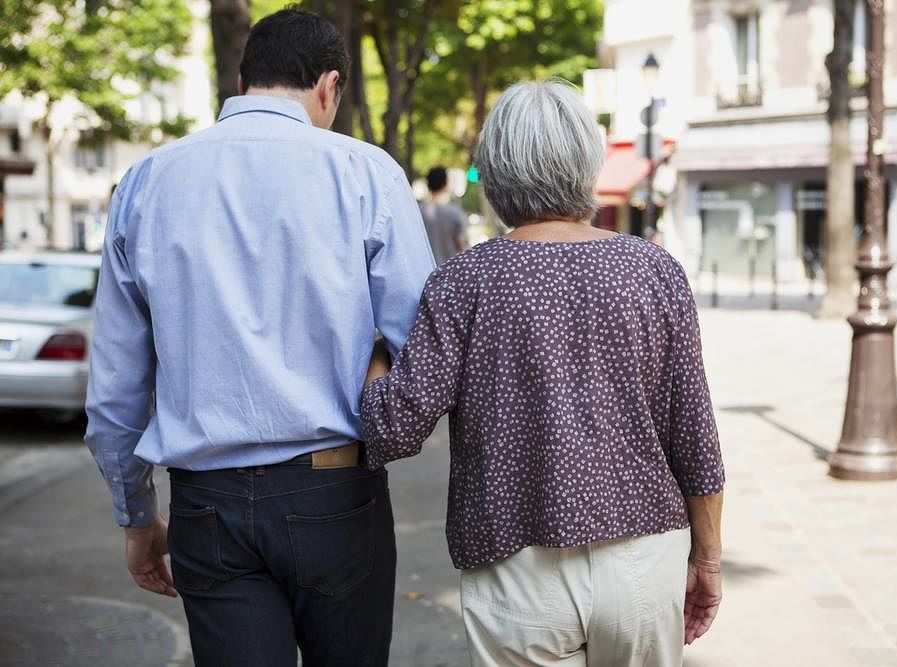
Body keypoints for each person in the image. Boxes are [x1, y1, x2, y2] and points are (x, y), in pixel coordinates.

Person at [84, 9, 434, 666]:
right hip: (335, 488)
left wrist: (137, 516)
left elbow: (114, 387)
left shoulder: (145, 182)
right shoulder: (366, 173)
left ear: (242, 82)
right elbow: (424, 340)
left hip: (204, 503)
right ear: (329, 87)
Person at [361, 81, 725, 666]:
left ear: (496, 171)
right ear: (587, 163)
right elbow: (695, 439)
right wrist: (706, 558)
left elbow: (393, 428)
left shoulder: (463, 281)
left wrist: (379, 351)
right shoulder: (654, 270)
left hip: (514, 564)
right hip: (643, 559)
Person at [419, 165, 469, 264]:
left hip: (424, 272)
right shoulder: (455, 213)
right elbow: (463, 246)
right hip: (450, 272)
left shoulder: (418, 212)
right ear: (445, 184)